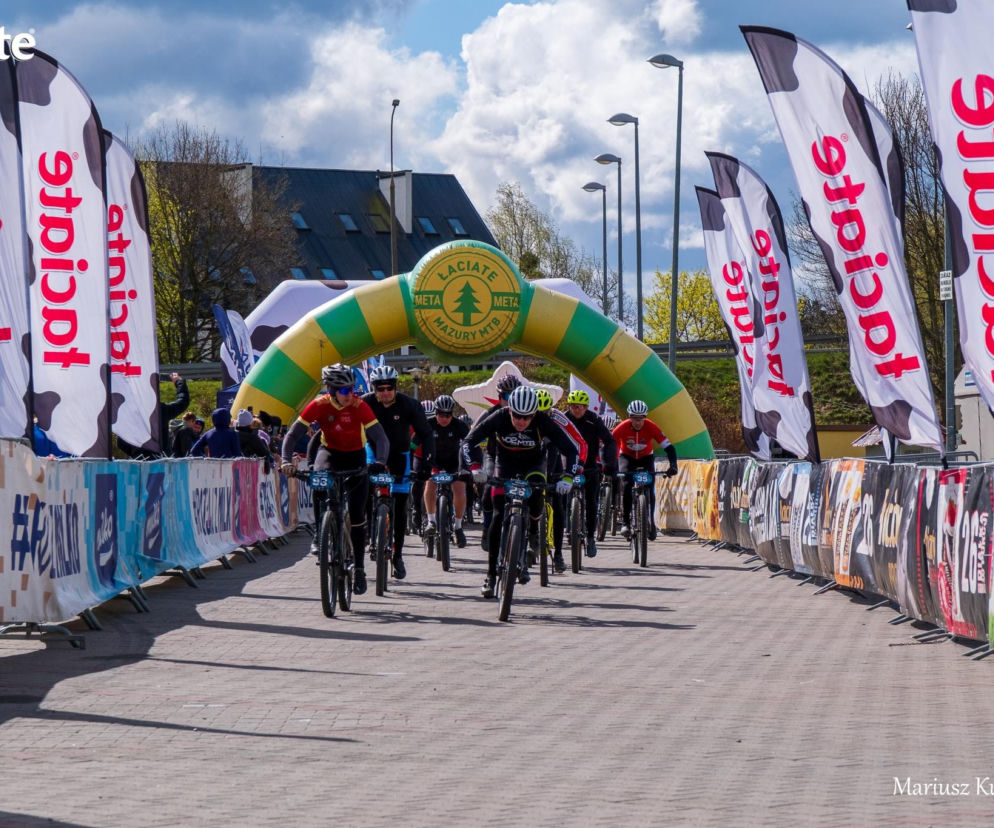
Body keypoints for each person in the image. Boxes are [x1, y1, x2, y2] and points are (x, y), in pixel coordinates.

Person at [279, 363, 389, 595]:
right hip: (330, 453)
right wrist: (285, 461)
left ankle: (359, 568)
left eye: (352, 389)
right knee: (318, 477)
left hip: (356, 457)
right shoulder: (318, 405)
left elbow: (380, 437)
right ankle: (321, 531)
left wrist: (379, 461)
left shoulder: (360, 406)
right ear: (331, 389)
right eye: (344, 391)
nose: (350, 395)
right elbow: (292, 434)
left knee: (358, 516)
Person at [462, 386, 578, 599]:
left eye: (526, 417)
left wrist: (568, 477)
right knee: (497, 515)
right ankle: (490, 574)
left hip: (534, 465)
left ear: (534, 414)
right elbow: (469, 441)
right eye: (516, 416)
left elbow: (571, 449)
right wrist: (475, 467)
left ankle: (533, 531)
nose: (521, 421)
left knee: (536, 499)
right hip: (504, 464)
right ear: (510, 410)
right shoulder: (499, 416)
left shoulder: (543, 421)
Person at [362, 364, 434, 581]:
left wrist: (426, 467)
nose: (385, 392)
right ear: (374, 388)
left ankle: (398, 555)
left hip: (400, 454)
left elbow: (426, 434)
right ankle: (366, 527)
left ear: (395, 387)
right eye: (380, 388)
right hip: (372, 452)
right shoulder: (365, 402)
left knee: (401, 506)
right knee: (363, 486)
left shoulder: (409, 404)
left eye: (389, 388)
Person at [535, 388, 587, 573]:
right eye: (538, 413)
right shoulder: (524, 418)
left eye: (546, 412)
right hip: (533, 461)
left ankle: (558, 554)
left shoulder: (558, 417)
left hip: (555, 460)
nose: (543, 416)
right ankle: (527, 542)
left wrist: (577, 466)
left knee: (558, 506)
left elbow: (580, 443)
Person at [613, 399, 678, 541]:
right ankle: (625, 522)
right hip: (627, 457)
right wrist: (611, 464)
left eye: (641, 418)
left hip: (646, 457)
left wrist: (673, 465)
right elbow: (610, 445)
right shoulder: (622, 427)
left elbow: (669, 447)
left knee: (650, 487)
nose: (638, 422)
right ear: (630, 418)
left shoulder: (651, 427)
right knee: (627, 484)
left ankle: (650, 521)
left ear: (645, 417)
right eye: (635, 418)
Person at [564, 389, 617, 557]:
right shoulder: (564, 419)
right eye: (573, 406)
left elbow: (609, 441)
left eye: (580, 407)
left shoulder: (594, 420)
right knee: (564, 498)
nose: (576, 410)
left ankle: (590, 538)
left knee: (591, 504)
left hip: (589, 467)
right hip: (570, 467)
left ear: (586, 407)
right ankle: (568, 527)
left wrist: (609, 464)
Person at [423, 394, 471, 548]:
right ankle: (431, 521)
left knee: (459, 487)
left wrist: (470, 467)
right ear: (435, 413)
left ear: (453, 414)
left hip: (454, 463)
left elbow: (469, 445)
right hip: (435, 462)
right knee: (429, 483)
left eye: (448, 415)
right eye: (441, 415)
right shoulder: (428, 425)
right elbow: (414, 445)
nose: (444, 418)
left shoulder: (460, 426)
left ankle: (458, 526)